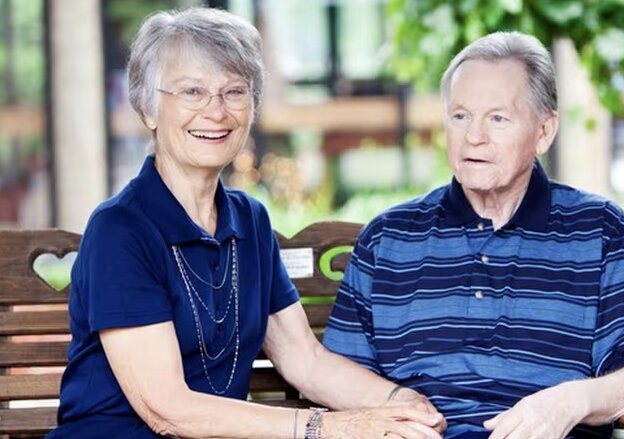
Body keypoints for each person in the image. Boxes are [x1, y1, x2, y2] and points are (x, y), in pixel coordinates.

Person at [47, 7, 445, 439]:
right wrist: (328, 428)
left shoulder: (249, 220)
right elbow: (168, 409)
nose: (216, 112)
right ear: (148, 108)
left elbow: (303, 360)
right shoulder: (120, 230)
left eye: (234, 92)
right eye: (192, 92)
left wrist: (399, 403)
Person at [323, 31, 624, 439]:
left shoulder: (602, 232)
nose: (474, 137)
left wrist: (568, 402)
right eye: (460, 116)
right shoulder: (389, 239)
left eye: (498, 118)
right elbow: (339, 379)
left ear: (544, 131)